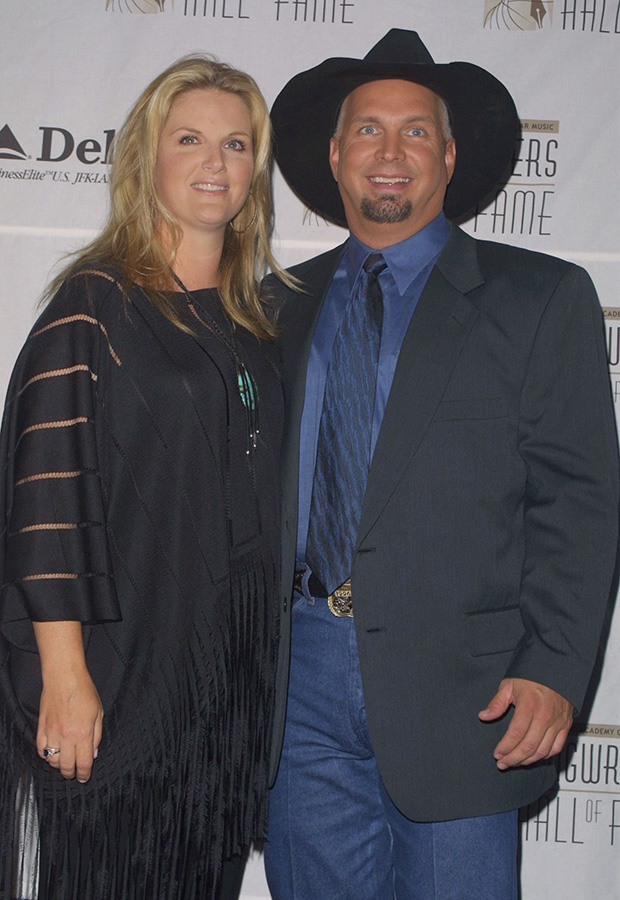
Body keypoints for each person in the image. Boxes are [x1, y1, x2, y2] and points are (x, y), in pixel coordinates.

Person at [263, 29, 619, 900]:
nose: (391, 153)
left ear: (450, 156)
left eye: (416, 131)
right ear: (336, 155)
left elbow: (579, 500)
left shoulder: (541, 297)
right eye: (369, 131)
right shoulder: (273, 307)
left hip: (469, 692)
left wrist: (555, 666)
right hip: (293, 687)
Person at [0, 54, 290, 900]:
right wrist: (65, 675)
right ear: (143, 160)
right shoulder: (93, 306)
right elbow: (46, 498)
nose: (215, 163)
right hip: (121, 676)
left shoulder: (255, 318)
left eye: (236, 145)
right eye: (189, 139)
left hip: (225, 680)